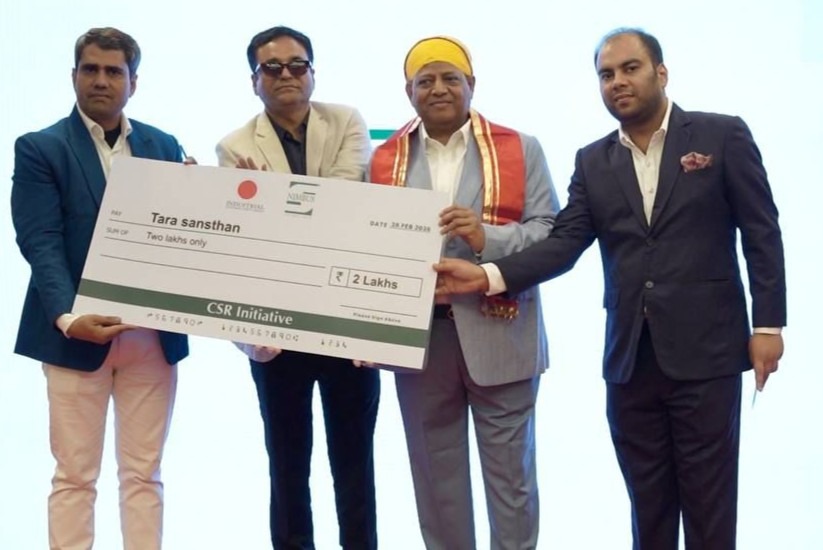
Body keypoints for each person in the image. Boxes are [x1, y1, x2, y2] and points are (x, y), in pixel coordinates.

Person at [434, 28, 786, 549]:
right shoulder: (593, 160)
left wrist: (768, 325)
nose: (617, 81)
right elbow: (563, 244)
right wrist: (487, 276)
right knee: (648, 508)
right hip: (629, 362)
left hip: (708, 353)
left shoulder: (721, 135)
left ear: (661, 73)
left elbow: (762, 232)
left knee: (710, 507)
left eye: (630, 68)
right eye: (606, 74)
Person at [369, 36, 560, 549]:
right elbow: (365, 247)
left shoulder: (521, 147)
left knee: (512, 485)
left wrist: (486, 238)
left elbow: (552, 235)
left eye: (450, 78)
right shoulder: (382, 159)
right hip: (420, 343)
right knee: (436, 485)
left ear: (471, 84)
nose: (438, 89)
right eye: (425, 80)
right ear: (408, 92)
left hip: (502, 334)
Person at [10, 27, 190, 550]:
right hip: (75, 335)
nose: (101, 80)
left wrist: (203, 199)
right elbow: (40, 241)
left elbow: (183, 234)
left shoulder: (164, 145)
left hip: (151, 338)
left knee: (144, 474)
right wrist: (68, 318)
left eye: (114, 71)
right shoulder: (41, 147)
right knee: (74, 476)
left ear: (134, 82)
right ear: (74, 76)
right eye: (90, 69)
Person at [215, 25, 379, 550]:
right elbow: (243, 238)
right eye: (272, 67)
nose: (286, 74)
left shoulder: (347, 120)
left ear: (312, 72)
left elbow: (343, 203)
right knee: (286, 463)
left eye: (297, 65)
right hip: (275, 325)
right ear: (254, 80)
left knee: (354, 460)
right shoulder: (233, 146)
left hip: (346, 319)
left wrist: (270, 198)